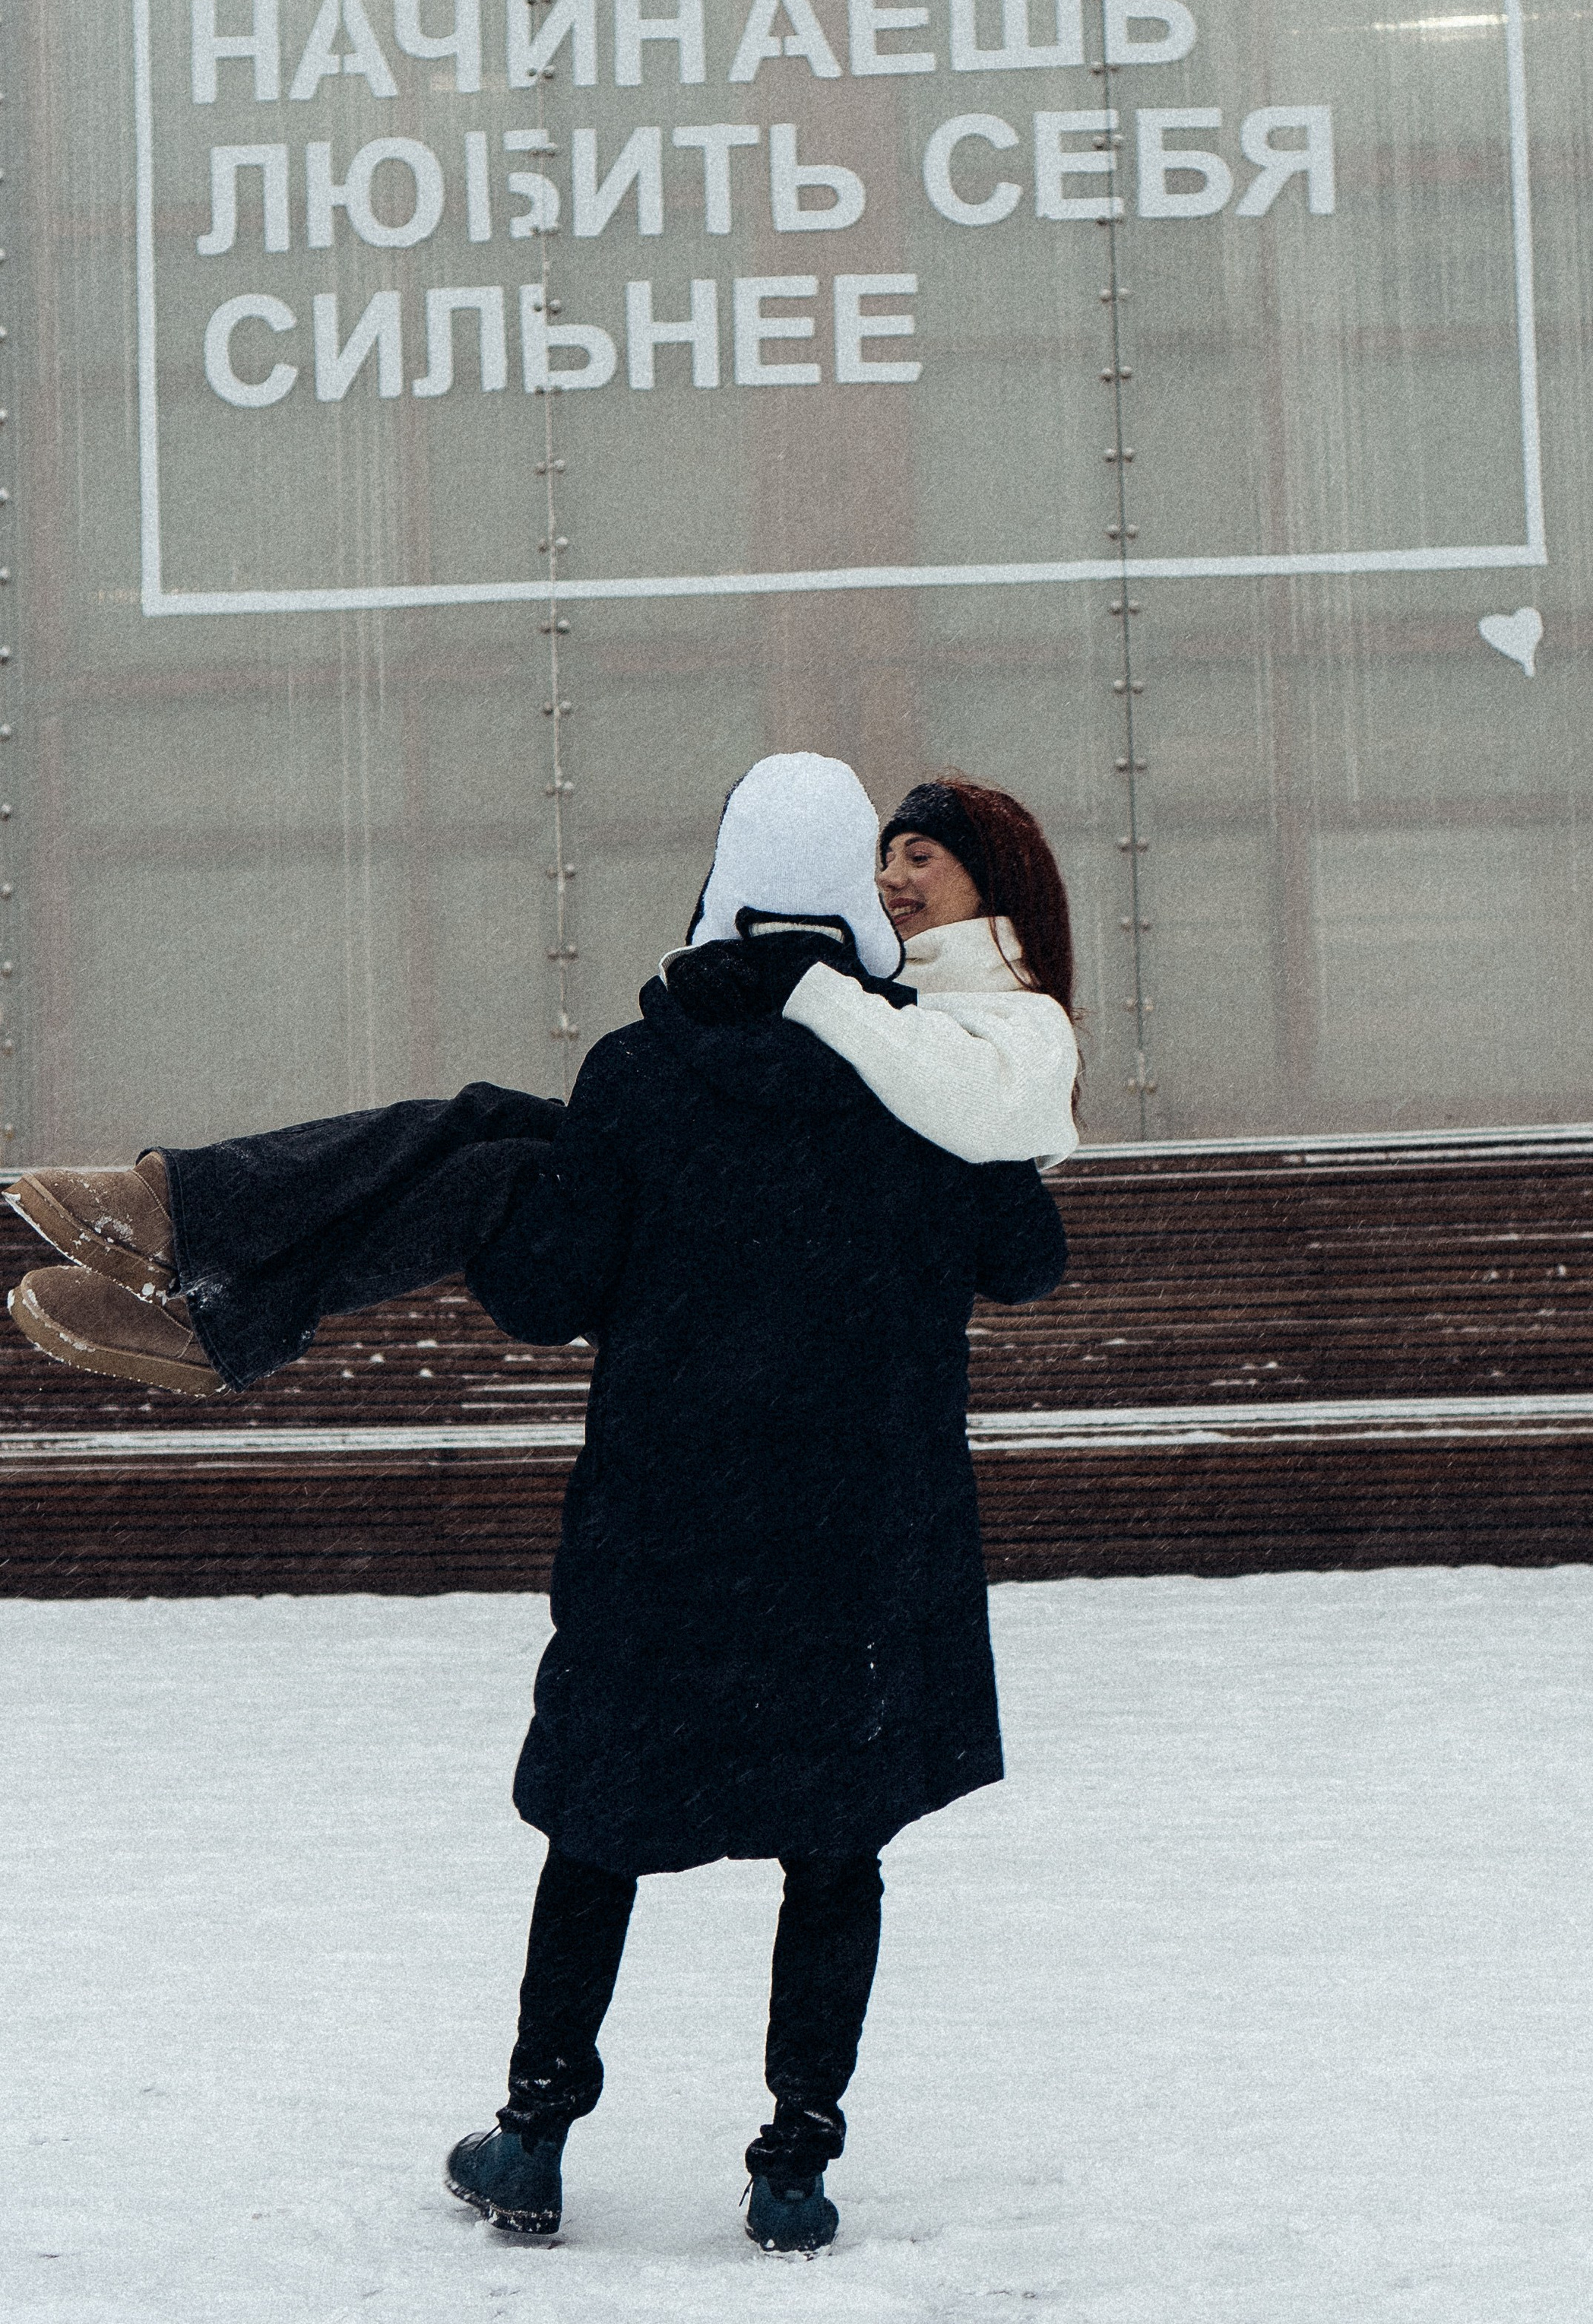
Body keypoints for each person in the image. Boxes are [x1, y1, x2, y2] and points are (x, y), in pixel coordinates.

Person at [5, 758, 1077, 2256]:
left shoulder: (644, 1074)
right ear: (850, 897)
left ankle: (531, 2135)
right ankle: (792, 2161)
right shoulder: (926, 1077)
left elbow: (546, 1292)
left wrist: (564, 1216)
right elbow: (1026, 1259)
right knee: (836, 1851)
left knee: (600, 1833)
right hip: (859, 1539)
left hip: (670, 1530)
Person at [5, 772, 1078, 1394]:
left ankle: (211, 1294)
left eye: (920, 856)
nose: (891, 879)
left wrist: (805, 990)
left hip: (743, 1283)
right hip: (746, 1255)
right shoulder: (901, 995)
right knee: (483, 1127)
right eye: (881, 858)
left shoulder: (1015, 1018)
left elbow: (985, 1129)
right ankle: (185, 1220)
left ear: (998, 874)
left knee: (495, 1181)